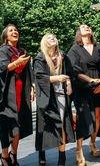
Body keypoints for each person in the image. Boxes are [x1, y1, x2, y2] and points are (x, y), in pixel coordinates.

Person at [68, 24, 100, 166]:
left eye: (88, 26)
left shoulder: (98, 47)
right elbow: (74, 69)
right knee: (83, 118)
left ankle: (93, 143)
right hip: (82, 85)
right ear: (79, 33)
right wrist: (91, 81)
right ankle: (79, 149)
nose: (86, 27)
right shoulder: (74, 49)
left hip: (99, 84)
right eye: (83, 27)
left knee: (98, 115)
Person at [0, 24, 34, 166]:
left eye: (16, 30)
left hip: (21, 92)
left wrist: (31, 88)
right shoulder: (2, 51)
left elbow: (28, 71)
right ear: (6, 36)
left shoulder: (22, 51)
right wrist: (17, 63)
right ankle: (4, 155)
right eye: (11, 31)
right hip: (7, 93)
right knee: (6, 124)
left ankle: (14, 154)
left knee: (18, 124)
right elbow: (2, 69)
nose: (14, 32)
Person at [33, 33, 75, 166]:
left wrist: (68, 83)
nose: (53, 39)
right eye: (49, 38)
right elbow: (39, 77)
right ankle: (41, 152)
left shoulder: (62, 56)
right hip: (46, 96)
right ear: (44, 42)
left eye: (54, 37)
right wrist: (58, 78)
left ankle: (61, 159)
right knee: (44, 126)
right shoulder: (40, 58)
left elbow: (70, 73)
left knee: (61, 124)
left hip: (61, 94)